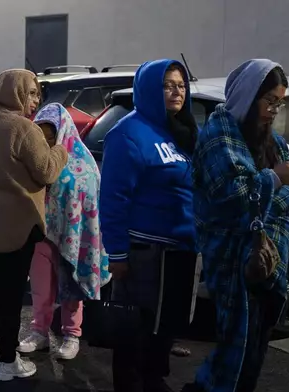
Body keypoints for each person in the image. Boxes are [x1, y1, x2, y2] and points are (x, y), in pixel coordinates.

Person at [184, 60, 289, 392]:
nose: (273, 110)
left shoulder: (271, 140)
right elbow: (233, 198)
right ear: (248, 96)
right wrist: (274, 179)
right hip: (230, 260)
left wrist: (268, 195)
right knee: (234, 346)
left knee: (256, 346)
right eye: (269, 101)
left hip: (268, 261)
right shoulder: (217, 137)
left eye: (278, 103)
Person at [99, 60, 199, 392]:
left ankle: (154, 379)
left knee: (164, 329)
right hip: (145, 252)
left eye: (181, 85)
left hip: (180, 248)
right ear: (149, 88)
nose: (177, 91)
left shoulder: (180, 130)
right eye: (168, 84)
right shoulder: (128, 133)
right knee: (136, 332)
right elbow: (113, 199)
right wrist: (117, 254)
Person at [0, 69, 68, 381]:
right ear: (16, 92)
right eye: (32, 92)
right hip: (17, 225)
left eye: (38, 94)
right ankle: (8, 362)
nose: (36, 100)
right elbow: (47, 171)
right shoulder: (24, 129)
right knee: (10, 295)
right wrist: (61, 149)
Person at [17, 102, 110, 361]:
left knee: (72, 287)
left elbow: (89, 197)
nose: (45, 139)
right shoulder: (35, 160)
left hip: (75, 235)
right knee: (40, 287)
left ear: (62, 132)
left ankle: (71, 335)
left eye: (50, 134)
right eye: (41, 134)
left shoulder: (84, 162)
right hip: (41, 234)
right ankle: (39, 332)